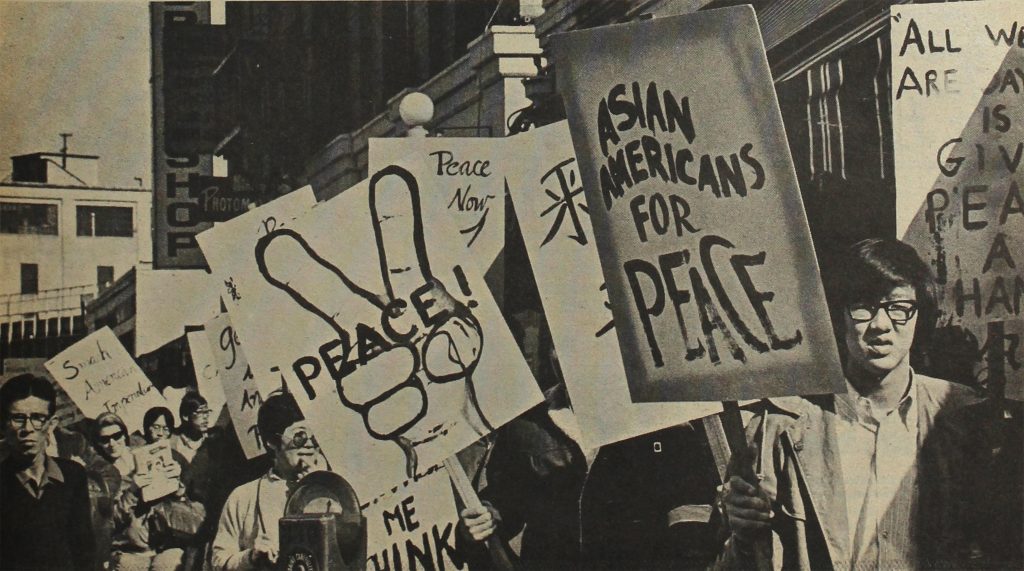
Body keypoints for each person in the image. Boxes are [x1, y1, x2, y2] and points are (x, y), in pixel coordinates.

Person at [715, 238, 980, 570]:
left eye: (898, 307)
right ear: (838, 316)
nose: (881, 325)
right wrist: (742, 533)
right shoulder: (780, 425)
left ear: (919, 316)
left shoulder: (962, 415)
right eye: (863, 306)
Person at [211, 392, 326, 570]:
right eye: (300, 436)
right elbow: (218, 562)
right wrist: (251, 557)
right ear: (272, 441)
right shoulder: (243, 496)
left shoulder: (338, 489)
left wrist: (323, 488)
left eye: (315, 437)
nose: (310, 445)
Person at [0, 374, 95, 571]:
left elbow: (84, 550)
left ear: (51, 424)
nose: (27, 428)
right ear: (3, 425)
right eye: (18, 418)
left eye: (37, 418)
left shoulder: (72, 476)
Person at [171, 392, 212, 465]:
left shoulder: (211, 439)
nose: (205, 417)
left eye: (206, 412)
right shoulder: (173, 441)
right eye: (200, 412)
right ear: (185, 416)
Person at [94, 412, 136, 478]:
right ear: (99, 443)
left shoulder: (142, 453)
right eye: (105, 439)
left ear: (124, 434)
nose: (112, 443)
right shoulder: (106, 476)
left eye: (116, 436)